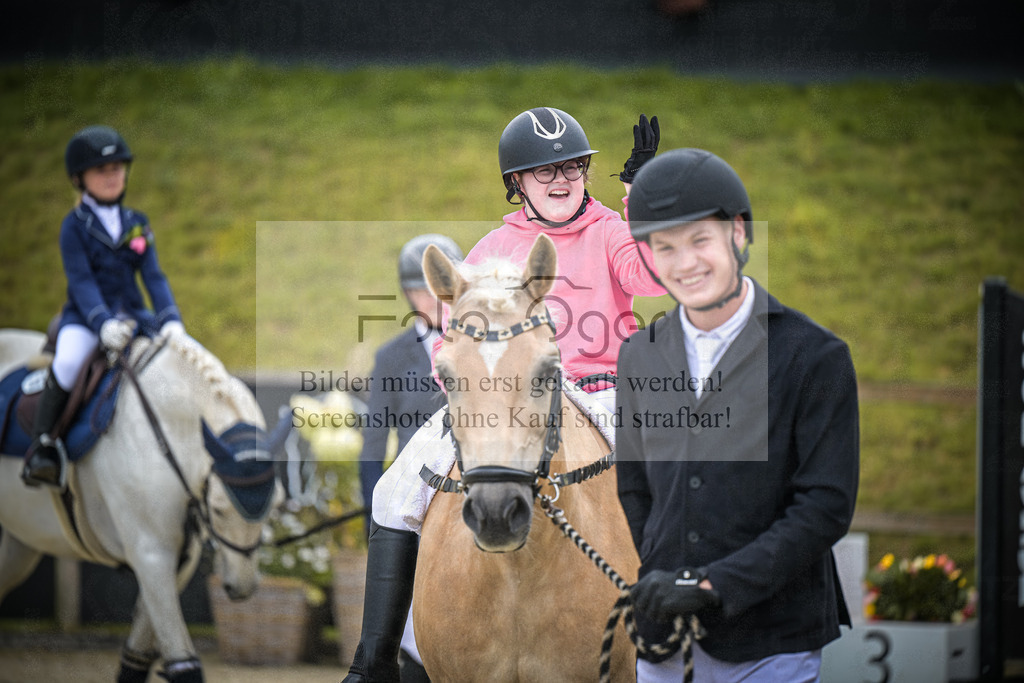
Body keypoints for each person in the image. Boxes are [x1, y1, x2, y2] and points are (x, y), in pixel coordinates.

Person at [342, 107, 666, 682]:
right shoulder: (494, 247)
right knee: (395, 491)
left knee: (678, 476)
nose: (561, 178)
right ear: (517, 182)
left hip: (602, 392)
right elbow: (454, 342)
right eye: (544, 171)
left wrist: (640, 199)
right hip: (505, 401)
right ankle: (373, 663)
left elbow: (649, 278)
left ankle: (682, 645)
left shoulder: (612, 232)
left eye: (572, 165)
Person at [616, 148, 860, 682]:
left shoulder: (815, 357)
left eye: (700, 240)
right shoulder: (637, 354)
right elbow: (635, 489)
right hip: (664, 642)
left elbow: (825, 506)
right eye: (666, 248)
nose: (686, 264)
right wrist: (663, 573)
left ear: (739, 234)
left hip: (771, 643)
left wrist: (712, 585)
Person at [21, 125, 185, 489]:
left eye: (117, 168)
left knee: (176, 360)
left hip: (135, 317)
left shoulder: (137, 223)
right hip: (87, 319)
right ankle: (43, 446)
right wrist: (102, 323)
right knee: (66, 363)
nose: (112, 177)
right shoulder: (74, 226)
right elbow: (80, 281)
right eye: (102, 170)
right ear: (80, 178)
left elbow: (154, 277)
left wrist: (171, 319)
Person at [356, 234, 465, 682]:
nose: (437, 299)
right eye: (425, 290)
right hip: (420, 496)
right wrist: (376, 521)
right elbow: (372, 447)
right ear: (409, 294)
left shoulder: (481, 344)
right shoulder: (391, 357)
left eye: (445, 287)